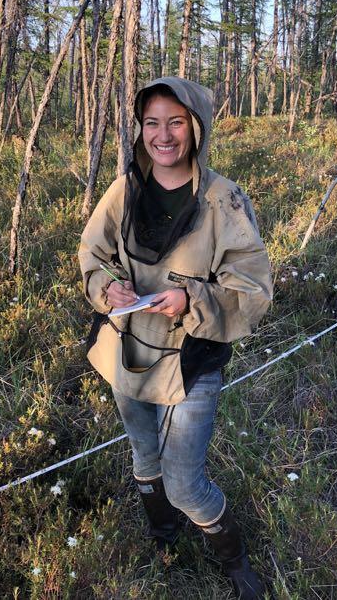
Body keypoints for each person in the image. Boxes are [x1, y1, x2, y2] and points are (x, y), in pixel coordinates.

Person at [78, 76, 273, 599]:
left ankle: (234, 560)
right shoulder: (124, 189)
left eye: (176, 122)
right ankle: (164, 538)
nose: (163, 136)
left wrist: (192, 301)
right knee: (144, 459)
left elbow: (252, 288)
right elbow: (92, 255)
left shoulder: (223, 199)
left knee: (184, 482)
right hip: (129, 349)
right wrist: (107, 287)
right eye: (151, 123)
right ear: (139, 129)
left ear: (197, 127)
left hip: (192, 357)